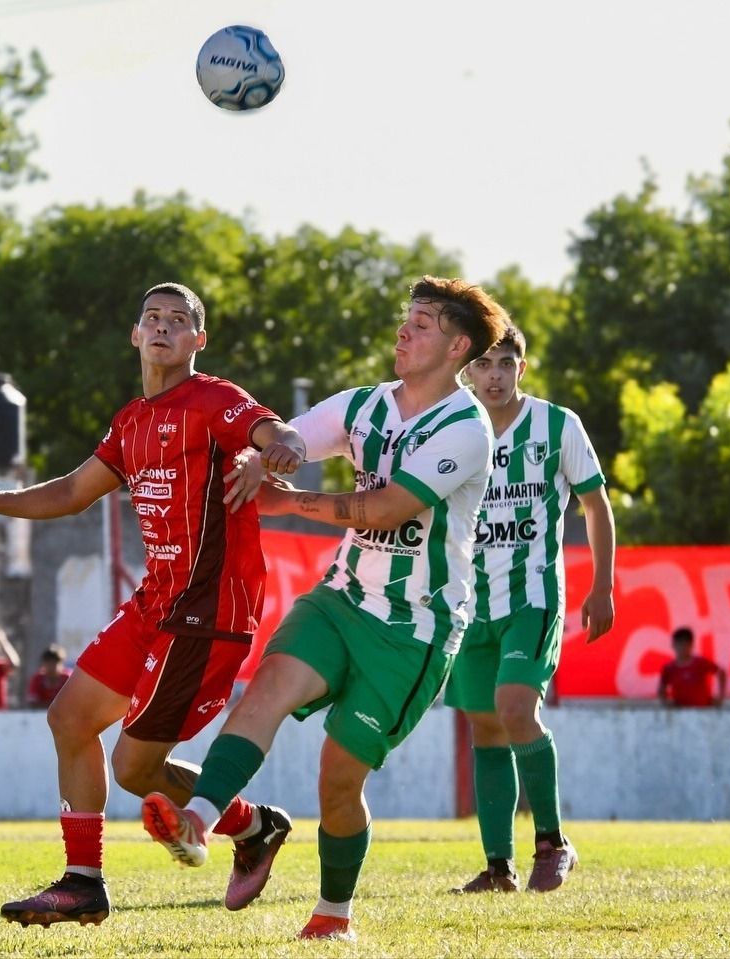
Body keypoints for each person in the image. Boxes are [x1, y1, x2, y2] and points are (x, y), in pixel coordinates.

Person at [140, 276, 509, 941]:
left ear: (456, 346)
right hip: (340, 597)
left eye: (421, 324)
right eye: (405, 319)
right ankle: (198, 817)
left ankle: (334, 914)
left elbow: (391, 506)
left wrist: (287, 501)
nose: (403, 331)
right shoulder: (364, 405)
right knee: (267, 688)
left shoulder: (466, 427)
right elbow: (291, 439)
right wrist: (261, 457)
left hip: (414, 627)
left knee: (338, 781)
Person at [0, 281, 307, 928]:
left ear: (199, 339)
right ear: (136, 335)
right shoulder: (131, 421)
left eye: (178, 319)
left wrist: (277, 447)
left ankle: (251, 824)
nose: (163, 327)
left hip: (206, 610)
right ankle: (83, 882)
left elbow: (271, 430)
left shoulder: (214, 398)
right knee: (69, 718)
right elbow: (74, 491)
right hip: (154, 602)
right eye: (151, 318)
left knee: (135, 768)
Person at [445, 325, 615, 896]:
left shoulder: (557, 425)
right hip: (469, 605)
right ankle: (498, 868)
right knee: (486, 728)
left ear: (523, 367)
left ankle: (553, 843)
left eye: (504, 363)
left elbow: (595, 504)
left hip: (533, 597)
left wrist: (603, 585)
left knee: (515, 709)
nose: (493, 375)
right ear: (467, 370)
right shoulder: (451, 429)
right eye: (484, 364)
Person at [658, 627, 726, 708]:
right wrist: (665, 703)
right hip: (681, 713)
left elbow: (721, 673)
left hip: (703, 711)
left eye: (686, 644)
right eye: (679, 644)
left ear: (691, 645)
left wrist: (721, 697)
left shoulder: (700, 663)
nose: (682, 648)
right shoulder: (669, 668)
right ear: (673, 645)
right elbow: (661, 689)